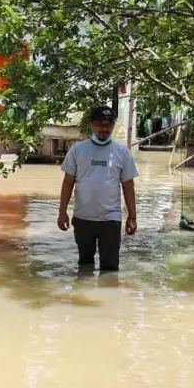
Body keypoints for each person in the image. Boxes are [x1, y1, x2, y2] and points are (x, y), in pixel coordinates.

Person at [57, 105, 139, 272]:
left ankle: (109, 296)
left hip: (110, 220)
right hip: (82, 219)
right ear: (92, 124)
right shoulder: (77, 150)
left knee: (110, 269)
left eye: (108, 124)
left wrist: (132, 216)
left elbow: (128, 186)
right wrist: (62, 211)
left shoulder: (122, 152)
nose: (104, 128)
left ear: (113, 125)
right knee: (85, 264)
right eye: (100, 124)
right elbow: (68, 182)